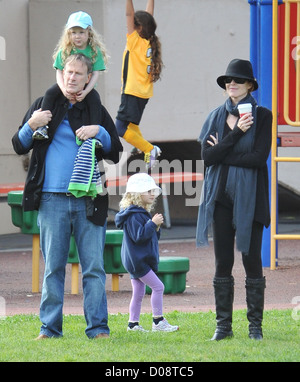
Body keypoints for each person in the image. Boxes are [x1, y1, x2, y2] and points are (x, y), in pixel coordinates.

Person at [12, 54, 123, 339]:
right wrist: (32, 124)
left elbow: (115, 151)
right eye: (68, 72)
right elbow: (19, 145)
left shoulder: (96, 110)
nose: (72, 77)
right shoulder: (43, 104)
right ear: (61, 73)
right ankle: (49, 329)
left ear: (89, 78)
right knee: (53, 268)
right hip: (51, 199)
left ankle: (98, 329)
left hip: (89, 199)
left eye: (78, 74)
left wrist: (100, 132)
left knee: (94, 268)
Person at [196, 59, 272, 341]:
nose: (232, 84)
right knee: (222, 262)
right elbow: (207, 158)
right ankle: (223, 327)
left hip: (251, 200)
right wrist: (238, 132)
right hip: (220, 200)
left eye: (238, 80)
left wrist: (223, 152)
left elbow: (258, 158)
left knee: (252, 261)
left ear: (250, 85)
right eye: (229, 80)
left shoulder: (263, 116)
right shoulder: (215, 117)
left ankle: (255, 327)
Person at [115, 173, 179, 332]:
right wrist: (152, 224)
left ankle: (133, 324)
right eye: (148, 191)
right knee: (158, 287)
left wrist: (155, 227)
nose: (152, 195)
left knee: (138, 292)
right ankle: (158, 321)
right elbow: (139, 237)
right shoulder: (134, 215)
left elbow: (151, 236)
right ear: (136, 194)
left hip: (136, 260)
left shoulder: (139, 213)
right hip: (138, 261)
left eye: (153, 191)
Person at [33, 11, 108, 140]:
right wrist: (63, 89)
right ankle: (42, 127)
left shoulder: (95, 51)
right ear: (69, 33)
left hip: (86, 86)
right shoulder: (66, 50)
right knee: (50, 92)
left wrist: (86, 91)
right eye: (73, 32)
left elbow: (95, 74)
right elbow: (59, 71)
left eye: (81, 32)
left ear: (89, 32)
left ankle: (94, 132)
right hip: (66, 85)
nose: (77, 36)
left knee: (95, 99)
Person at [115, 0, 163, 171]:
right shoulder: (149, 40)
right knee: (132, 127)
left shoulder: (134, 41)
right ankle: (142, 147)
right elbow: (148, 16)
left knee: (120, 128)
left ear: (139, 28)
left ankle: (149, 149)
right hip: (142, 94)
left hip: (132, 92)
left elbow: (129, 14)